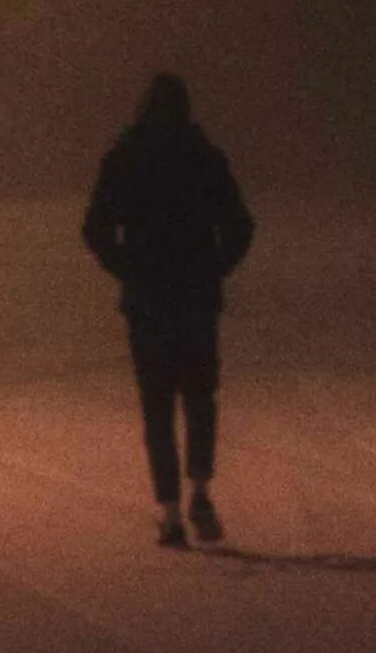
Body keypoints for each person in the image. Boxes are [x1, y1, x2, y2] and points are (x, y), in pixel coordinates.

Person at [83, 72, 255, 549]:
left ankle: (171, 512)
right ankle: (200, 487)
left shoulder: (125, 157)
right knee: (200, 397)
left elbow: (95, 227)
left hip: (148, 302)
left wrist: (128, 268)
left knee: (157, 408)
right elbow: (240, 226)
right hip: (196, 300)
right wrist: (214, 269)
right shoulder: (204, 158)